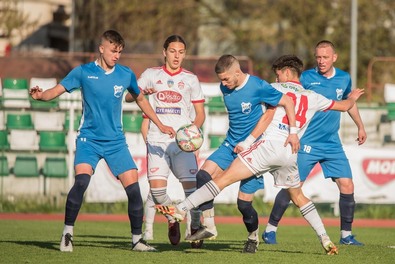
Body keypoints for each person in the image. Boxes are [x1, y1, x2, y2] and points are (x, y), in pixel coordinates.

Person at [156, 54, 364, 255]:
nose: (276, 78)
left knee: (222, 179)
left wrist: (247, 141)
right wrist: (352, 97)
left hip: (267, 147)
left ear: (287, 73)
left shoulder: (274, 88)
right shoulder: (314, 97)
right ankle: (325, 238)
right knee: (298, 196)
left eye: (278, 74)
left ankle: (181, 209)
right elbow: (345, 106)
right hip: (290, 153)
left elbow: (267, 116)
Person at [29, 30, 175, 252]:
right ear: (102, 48)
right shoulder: (83, 72)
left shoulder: (125, 74)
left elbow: (141, 99)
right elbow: (55, 91)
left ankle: (137, 240)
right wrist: (40, 96)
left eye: (119, 52)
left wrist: (160, 124)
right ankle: (67, 234)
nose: (116, 55)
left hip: (116, 142)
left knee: (134, 190)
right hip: (89, 140)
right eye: (113, 51)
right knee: (81, 183)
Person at [174, 54, 298, 253]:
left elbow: (288, 103)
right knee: (203, 175)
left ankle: (253, 237)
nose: (223, 84)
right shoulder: (225, 87)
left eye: (226, 79)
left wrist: (293, 133)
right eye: (221, 79)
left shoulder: (258, 86)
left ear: (238, 73)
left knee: (243, 204)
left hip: (253, 150)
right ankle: (210, 226)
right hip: (230, 145)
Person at [263, 40, 367, 246]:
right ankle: (270, 229)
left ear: (334, 57)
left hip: (332, 143)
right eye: (318, 57)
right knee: (293, 187)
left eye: (325, 57)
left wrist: (360, 126)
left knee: (347, 184)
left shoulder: (344, 78)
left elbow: (348, 103)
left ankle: (346, 235)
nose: (321, 61)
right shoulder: (307, 78)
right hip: (306, 142)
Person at [126, 35, 205, 247]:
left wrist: (191, 133)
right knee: (158, 192)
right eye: (172, 51)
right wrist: (141, 92)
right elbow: (128, 97)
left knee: (192, 191)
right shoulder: (151, 75)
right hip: (156, 140)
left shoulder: (191, 79)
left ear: (185, 54)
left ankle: (195, 227)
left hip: (181, 144)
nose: (176, 56)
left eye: (181, 52)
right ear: (164, 52)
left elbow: (200, 114)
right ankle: (172, 217)